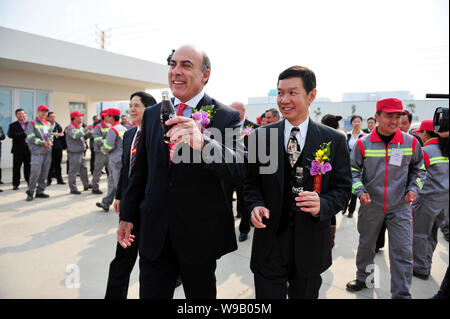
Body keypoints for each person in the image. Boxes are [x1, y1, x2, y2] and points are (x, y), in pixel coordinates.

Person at [118, 45, 245, 299]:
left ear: (205, 75)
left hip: (199, 236)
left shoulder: (226, 116)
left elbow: (239, 168)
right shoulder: (153, 114)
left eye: (186, 65)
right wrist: (127, 215)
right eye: (172, 64)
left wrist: (203, 144)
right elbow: (140, 171)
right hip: (154, 234)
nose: (176, 71)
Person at [244, 66, 352, 299]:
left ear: (311, 95)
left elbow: (343, 190)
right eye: (280, 93)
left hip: (311, 244)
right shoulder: (261, 137)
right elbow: (250, 181)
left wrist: (323, 204)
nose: (284, 100)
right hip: (269, 243)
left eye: (292, 92)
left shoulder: (333, 140)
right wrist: (255, 204)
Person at [346, 98, 426, 299]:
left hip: (400, 206)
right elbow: (353, 171)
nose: (395, 120)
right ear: (378, 116)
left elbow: (420, 169)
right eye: (389, 115)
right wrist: (360, 191)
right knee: (367, 245)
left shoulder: (411, 142)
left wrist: (414, 188)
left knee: (402, 252)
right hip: (371, 205)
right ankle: (364, 278)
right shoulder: (363, 143)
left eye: (398, 115)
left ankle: (401, 294)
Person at [105, 92, 156, 298]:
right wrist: (119, 196)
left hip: (150, 207)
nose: (132, 109)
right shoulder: (128, 135)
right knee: (122, 257)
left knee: (151, 260)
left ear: (150, 110)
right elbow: (127, 169)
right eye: (130, 105)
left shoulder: (158, 136)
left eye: (137, 105)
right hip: (129, 207)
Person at [410, 119, 449, 280]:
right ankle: (426, 262)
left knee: (419, 234)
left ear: (425, 133)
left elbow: (414, 175)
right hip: (444, 201)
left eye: (420, 132)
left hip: (426, 200)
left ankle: (420, 268)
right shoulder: (445, 149)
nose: (418, 134)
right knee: (432, 235)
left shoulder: (426, 151)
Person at [225, 101, 259, 242]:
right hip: (226, 170)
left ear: (242, 112)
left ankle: (244, 230)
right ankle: (226, 229)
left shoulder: (254, 128)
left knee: (245, 203)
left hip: (245, 171)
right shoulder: (224, 124)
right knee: (225, 200)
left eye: (232, 110)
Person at [321, 114, 345, 248]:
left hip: (324, 178)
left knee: (326, 209)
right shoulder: (341, 137)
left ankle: (329, 238)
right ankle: (330, 239)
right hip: (334, 179)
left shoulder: (329, 138)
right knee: (331, 211)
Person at [96, 108, 126, 212]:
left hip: (115, 159)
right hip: (121, 158)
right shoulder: (122, 128)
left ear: (111, 117)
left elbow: (109, 146)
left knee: (118, 183)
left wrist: (103, 150)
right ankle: (106, 203)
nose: (104, 117)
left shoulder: (113, 129)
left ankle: (125, 207)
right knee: (112, 182)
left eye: (106, 115)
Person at [25, 105, 54, 201]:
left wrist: (50, 141)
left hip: (47, 152)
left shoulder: (48, 124)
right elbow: (31, 138)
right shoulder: (32, 123)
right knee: (35, 173)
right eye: (42, 111)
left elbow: (50, 135)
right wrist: (43, 143)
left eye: (46, 111)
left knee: (44, 173)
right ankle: (30, 191)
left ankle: (40, 191)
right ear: (38, 112)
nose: (44, 113)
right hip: (37, 152)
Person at [343, 115, 366, 218]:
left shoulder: (364, 136)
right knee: (346, 185)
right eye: (354, 121)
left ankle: (351, 210)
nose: (357, 123)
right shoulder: (347, 135)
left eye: (358, 121)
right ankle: (344, 205)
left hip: (359, 165)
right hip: (346, 163)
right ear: (351, 123)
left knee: (355, 186)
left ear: (361, 123)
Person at [66, 111, 93, 194]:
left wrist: (89, 134)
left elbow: (82, 137)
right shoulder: (70, 128)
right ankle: (73, 188)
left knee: (84, 170)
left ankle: (86, 185)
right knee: (73, 171)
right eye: (79, 117)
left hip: (81, 152)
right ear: (74, 118)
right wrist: (86, 129)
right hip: (74, 153)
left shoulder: (79, 127)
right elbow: (76, 136)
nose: (81, 118)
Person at [7, 109, 31, 190]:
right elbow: (11, 135)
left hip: (29, 149)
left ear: (26, 115)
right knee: (16, 168)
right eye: (19, 114)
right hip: (18, 150)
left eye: (23, 114)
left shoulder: (30, 124)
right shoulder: (13, 125)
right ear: (16, 115)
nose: (21, 115)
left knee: (28, 167)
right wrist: (23, 133)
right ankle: (15, 184)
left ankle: (29, 182)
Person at [91, 110, 112, 194]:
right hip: (100, 152)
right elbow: (97, 140)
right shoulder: (98, 127)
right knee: (98, 171)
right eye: (108, 116)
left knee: (111, 171)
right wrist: (109, 141)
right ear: (104, 117)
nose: (110, 117)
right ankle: (95, 187)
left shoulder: (110, 126)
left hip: (109, 152)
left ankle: (112, 188)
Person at [46, 112, 66, 185]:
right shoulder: (46, 125)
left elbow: (62, 134)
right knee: (50, 164)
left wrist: (60, 135)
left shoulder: (58, 125)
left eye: (54, 117)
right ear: (48, 118)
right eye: (51, 117)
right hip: (49, 147)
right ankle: (48, 180)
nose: (53, 118)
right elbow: (45, 134)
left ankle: (59, 179)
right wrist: (53, 134)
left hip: (58, 147)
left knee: (58, 164)